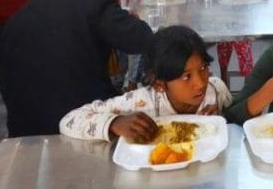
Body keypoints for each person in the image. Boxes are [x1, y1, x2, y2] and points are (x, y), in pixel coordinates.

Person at [0, 0, 154, 137]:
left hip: (26, 129)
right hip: (82, 120)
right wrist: (133, 21)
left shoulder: (17, 18)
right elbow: (139, 39)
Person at [59, 26, 232, 142]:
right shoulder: (139, 103)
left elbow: (233, 122)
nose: (200, 83)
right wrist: (115, 123)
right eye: (186, 77)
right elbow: (68, 120)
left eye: (203, 68)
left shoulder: (216, 90)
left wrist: (220, 120)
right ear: (159, 84)